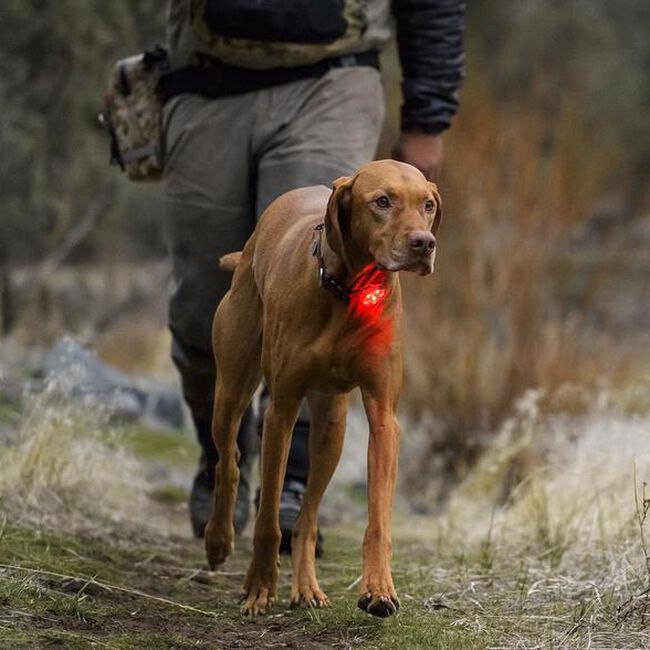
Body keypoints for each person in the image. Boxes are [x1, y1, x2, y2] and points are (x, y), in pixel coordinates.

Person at [161, 0, 465, 550]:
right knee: (206, 297)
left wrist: (427, 117)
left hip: (332, 76)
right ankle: (222, 458)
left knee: (329, 284)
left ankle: (294, 489)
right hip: (205, 76)